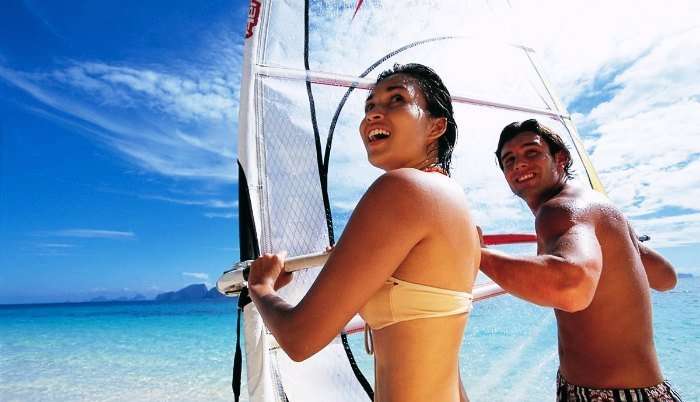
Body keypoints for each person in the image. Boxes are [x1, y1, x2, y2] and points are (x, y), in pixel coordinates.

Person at [247, 63, 480, 402]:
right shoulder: (459, 213)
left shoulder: (401, 189)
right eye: (369, 106)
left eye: (396, 100)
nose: (373, 114)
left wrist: (261, 287)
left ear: (436, 126)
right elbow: (444, 356)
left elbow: (299, 339)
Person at [479, 118, 683, 401]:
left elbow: (571, 286)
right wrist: (627, 243)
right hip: (651, 391)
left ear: (560, 158)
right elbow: (666, 278)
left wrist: (476, 254)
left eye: (531, 152)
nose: (518, 164)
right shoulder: (599, 207)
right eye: (509, 159)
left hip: (606, 396)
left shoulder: (560, 210)